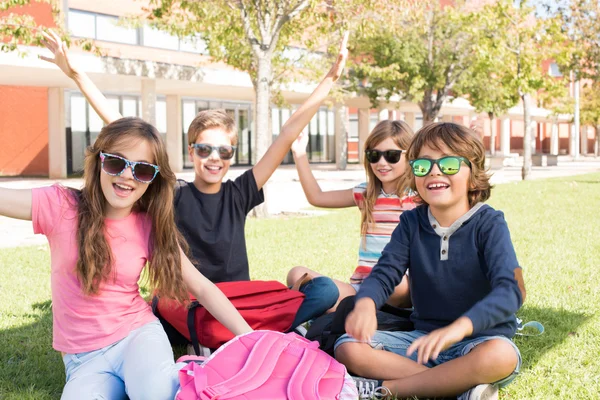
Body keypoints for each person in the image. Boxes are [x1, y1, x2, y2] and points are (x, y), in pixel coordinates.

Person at [39, 30, 350, 329]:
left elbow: (286, 135)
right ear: (191, 151)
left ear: (231, 155)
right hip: (187, 303)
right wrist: (77, 75)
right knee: (160, 309)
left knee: (325, 290)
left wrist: (330, 79)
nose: (214, 157)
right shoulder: (174, 191)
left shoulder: (240, 193)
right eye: (204, 148)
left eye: (223, 151)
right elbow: (122, 127)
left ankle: (233, 332)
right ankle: (247, 331)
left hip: (234, 304)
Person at [0, 117, 252, 399]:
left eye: (142, 169)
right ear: (99, 161)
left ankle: (179, 374)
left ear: (153, 178)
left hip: (137, 337)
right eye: (116, 163)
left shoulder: (150, 225)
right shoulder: (60, 206)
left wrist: (251, 339)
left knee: (155, 394)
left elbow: (201, 287)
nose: (127, 176)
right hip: (83, 360)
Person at [336, 122, 527, 400]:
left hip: (479, 340)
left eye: (448, 164)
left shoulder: (489, 222)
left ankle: (386, 389)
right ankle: (458, 384)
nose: (434, 171)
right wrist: (365, 304)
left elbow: (512, 290)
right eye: (423, 165)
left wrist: (459, 328)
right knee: (348, 346)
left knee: (501, 356)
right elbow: (385, 273)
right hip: (423, 341)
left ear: (473, 176)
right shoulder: (411, 222)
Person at [286, 119, 416, 311]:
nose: (381, 162)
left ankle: (343, 309)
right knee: (297, 274)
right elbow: (317, 197)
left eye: (391, 155)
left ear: (410, 156)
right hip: (360, 289)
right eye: (374, 155)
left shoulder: (419, 198)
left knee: (395, 284)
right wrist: (299, 154)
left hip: (397, 289)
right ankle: (352, 308)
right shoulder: (365, 194)